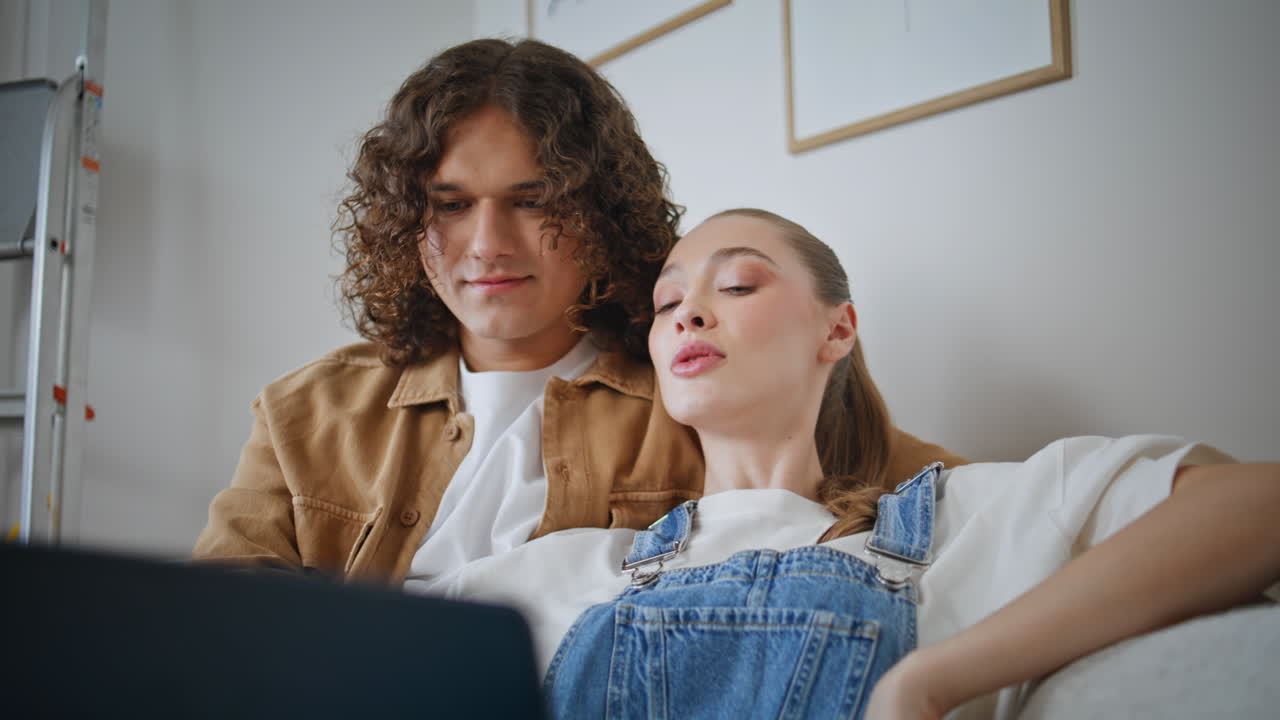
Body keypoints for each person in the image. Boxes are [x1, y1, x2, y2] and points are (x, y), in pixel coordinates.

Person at [415, 208, 1280, 719]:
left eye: (738, 286)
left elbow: (1258, 506)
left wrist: (931, 680)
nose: (688, 315)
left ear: (837, 329)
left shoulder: (968, 520)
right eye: (668, 302)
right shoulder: (556, 573)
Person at [191, 39, 965, 583]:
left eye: (532, 202)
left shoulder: (706, 396)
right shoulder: (303, 414)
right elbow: (216, 631)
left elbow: (977, 503)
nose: (487, 244)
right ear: (405, 224)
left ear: (601, 213)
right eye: (451, 205)